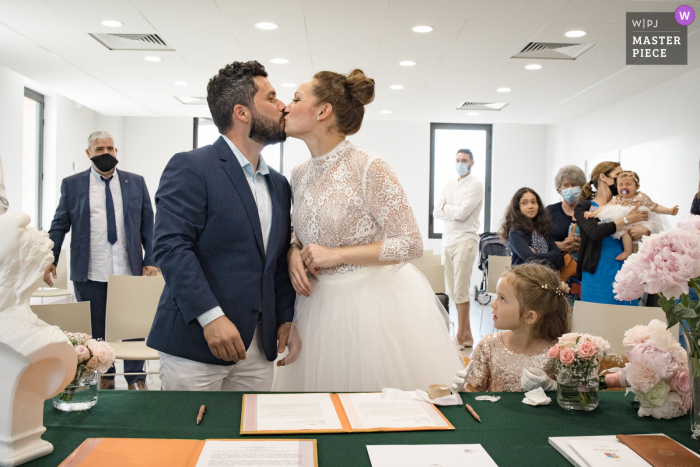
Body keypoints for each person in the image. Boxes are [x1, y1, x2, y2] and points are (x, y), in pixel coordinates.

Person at [273, 69, 463, 392]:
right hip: (314, 306)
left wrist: (337, 255)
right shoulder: (298, 174)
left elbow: (411, 243)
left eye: (296, 99)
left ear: (323, 111)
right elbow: (300, 232)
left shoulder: (369, 167)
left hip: (368, 310)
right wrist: (293, 250)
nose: (286, 107)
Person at [147, 61, 296, 392]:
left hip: (259, 348)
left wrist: (286, 317)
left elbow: (276, 262)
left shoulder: (280, 185)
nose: (283, 106)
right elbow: (171, 247)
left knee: (248, 443)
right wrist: (210, 317)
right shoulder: (192, 166)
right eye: (271, 98)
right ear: (242, 113)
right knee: (189, 442)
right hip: (196, 344)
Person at [46, 130, 157, 390]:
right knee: (96, 329)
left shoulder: (136, 182)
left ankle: (136, 379)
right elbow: (59, 225)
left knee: (131, 327)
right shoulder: (72, 185)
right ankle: (105, 378)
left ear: (116, 152)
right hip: (90, 269)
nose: (106, 154)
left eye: (110, 149)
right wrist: (50, 258)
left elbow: (148, 226)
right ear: (88, 154)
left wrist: (151, 259)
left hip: (128, 268)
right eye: (99, 150)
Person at [451, 263, 570, 392]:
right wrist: (462, 390)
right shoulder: (489, 346)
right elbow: (474, 392)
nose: (493, 304)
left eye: (502, 299)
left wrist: (555, 387)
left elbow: (575, 396)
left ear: (529, 316)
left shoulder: (559, 353)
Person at [574, 162, 649, 305]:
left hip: (627, 271)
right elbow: (595, 232)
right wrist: (626, 220)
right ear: (603, 177)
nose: (621, 181)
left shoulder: (628, 202)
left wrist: (646, 231)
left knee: (628, 322)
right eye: (617, 176)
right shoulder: (584, 206)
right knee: (596, 321)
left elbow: (647, 221)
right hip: (597, 273)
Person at [433, 149, 483, 349]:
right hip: (448, 240)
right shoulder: (449, 184)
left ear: (472, 162)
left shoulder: (476, 185)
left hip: (465, 239)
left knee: (461, 290)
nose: (460, 163)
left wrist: (447, 207)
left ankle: (460, 337)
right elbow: (436, 211)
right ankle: (468, 336)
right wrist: (445, 208)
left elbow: (463, 213)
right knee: (454, 291)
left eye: (464, 160)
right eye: (458, 160)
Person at [584, 170, 677, 260]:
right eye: (620, 184)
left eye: (628, 184)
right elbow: (605, 208)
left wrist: (669, 211)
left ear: (637, 187)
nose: (624, 187)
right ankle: (627, 251)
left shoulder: (641, 197)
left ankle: (644, 256)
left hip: (641, 223)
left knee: (642, 247)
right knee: (624, 232)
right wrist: (593, 213)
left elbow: (655, 207)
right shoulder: (617, 199)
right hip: (625, 225)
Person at [499, 188, 564, 270]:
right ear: (517, 207)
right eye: (524, 203)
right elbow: (531, 259)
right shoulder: (515, 232)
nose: (530, 206)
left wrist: (536, 255)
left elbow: (560, 259)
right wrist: (550, 256)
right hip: (523, 280)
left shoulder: (542, 229)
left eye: (533, 202)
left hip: (545, 278)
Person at [546, 165, 585, 257]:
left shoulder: (590, 210)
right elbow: (536, 240)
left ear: (582, 187)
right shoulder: (550, 211)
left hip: (583, 265)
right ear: (559, 190)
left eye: (574, 184)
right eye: (566, 185)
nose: (570, 188)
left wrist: (583, 246)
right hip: (555, 264)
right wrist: (558, 246)